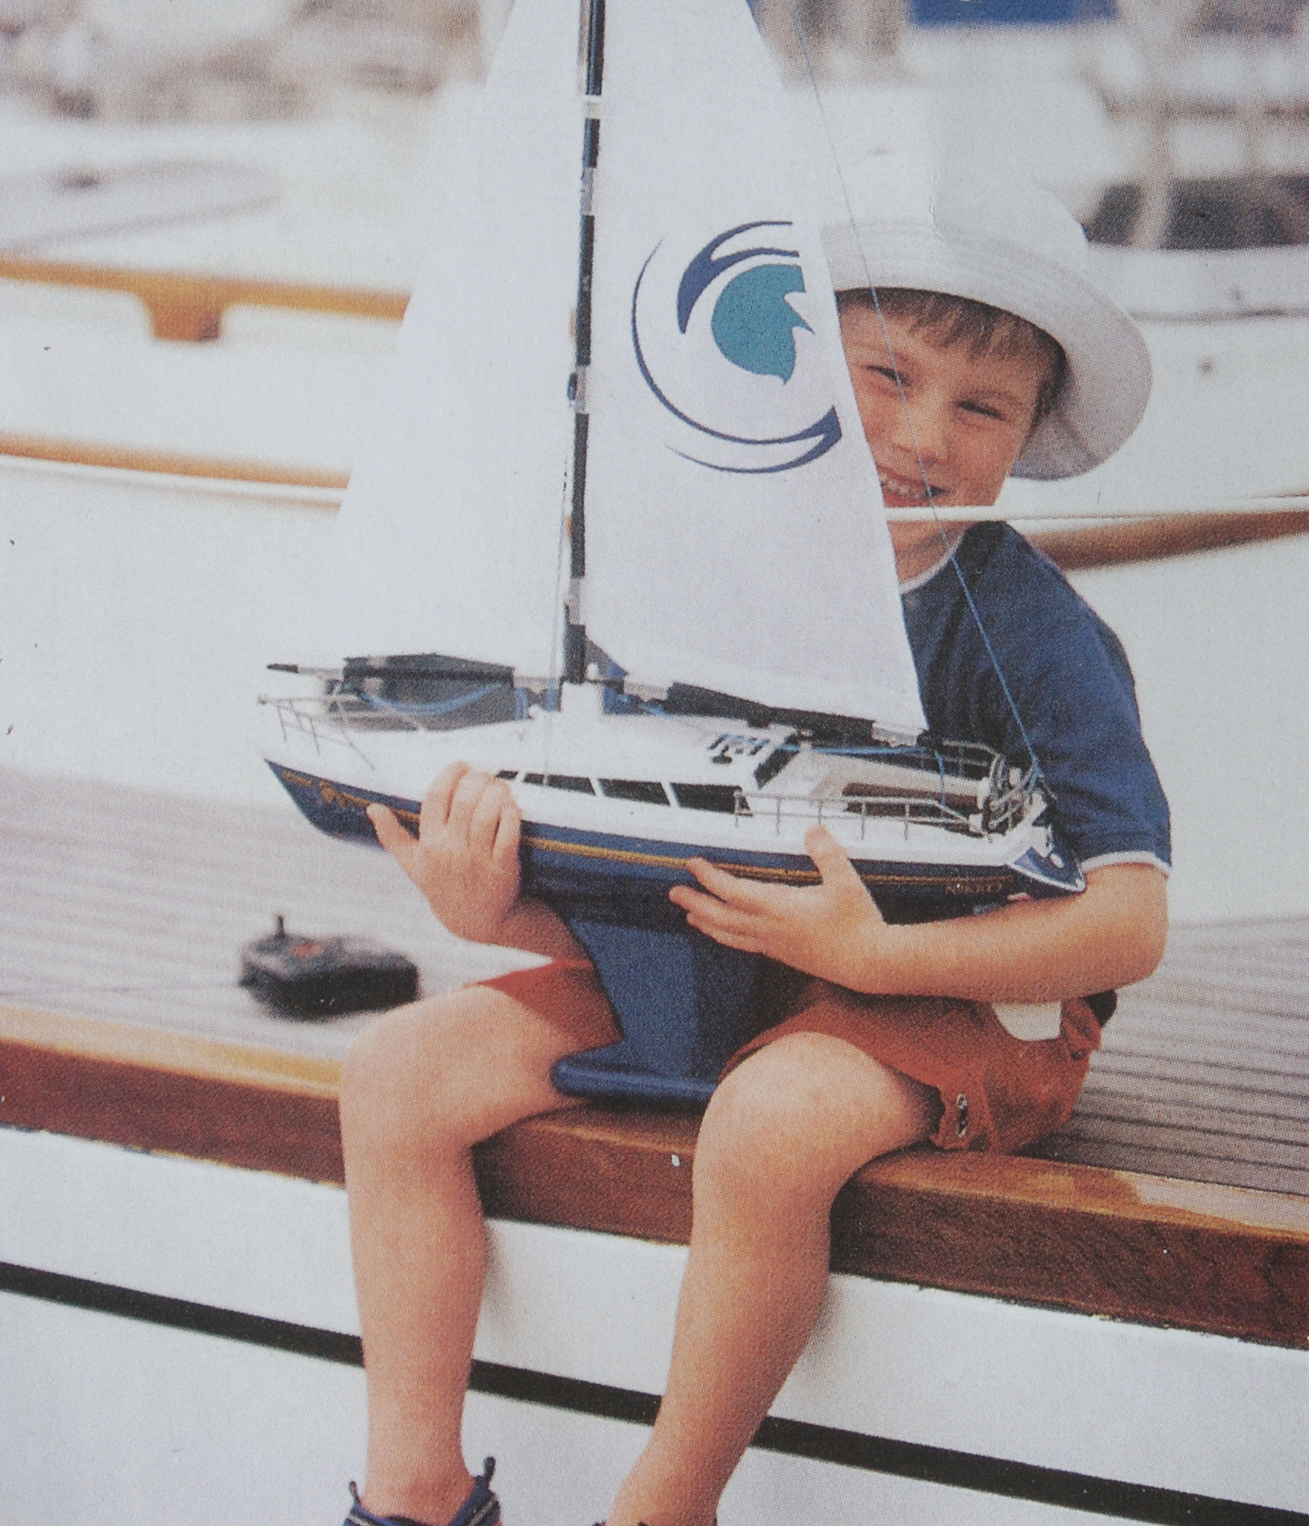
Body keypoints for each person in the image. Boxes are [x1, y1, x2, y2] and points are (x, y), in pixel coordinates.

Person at [336, 166, 1171, 1526]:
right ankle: (414, 1489)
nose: (920, 434)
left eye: (980, 407)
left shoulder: (1027, 628)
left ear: (1027, 432)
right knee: (391, 1076)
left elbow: (1125, 923)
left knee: (770, 1123)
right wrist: (494, 913)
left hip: (976, 999)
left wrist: (874, 955)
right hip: (721, 966)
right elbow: (649, 858)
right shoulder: (702, 585)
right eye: (883, 377)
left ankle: (667, 1502)